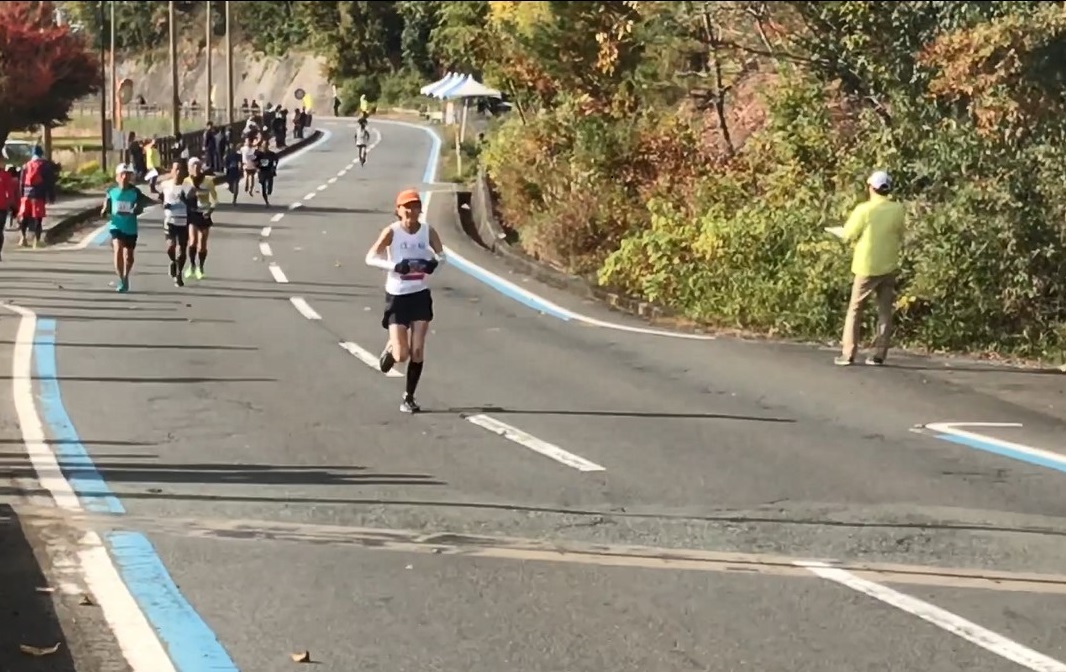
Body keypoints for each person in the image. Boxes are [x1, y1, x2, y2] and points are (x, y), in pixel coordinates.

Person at [364, 189, 445, 413]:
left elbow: (442, 255)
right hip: (398, 295)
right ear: (398, 210)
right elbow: (370, 257)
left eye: (415, 206)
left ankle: (409, 397)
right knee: (402, 355)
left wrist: (433, 264)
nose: (411, 211)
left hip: (419, 294)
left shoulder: (428, 231)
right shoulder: (392, 232)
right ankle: (391, 349)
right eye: (406, 207)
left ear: (420, 209)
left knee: (418, 351)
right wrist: (395, 266)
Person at [833, 170, 906, 367]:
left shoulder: (864, 210)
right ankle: (878, 354)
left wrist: (837, 231)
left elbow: (848, 234)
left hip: (866, 265)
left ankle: (848, 353)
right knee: (884, 310)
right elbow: (900, 233)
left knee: (855, 309)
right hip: (889, 264)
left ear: (871, 188)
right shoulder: (897, 209)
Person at [101, 164, 154, 293]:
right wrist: (104, 210)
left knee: (128, 256)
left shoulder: (135, 192)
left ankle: (126, 276)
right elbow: (106, 204)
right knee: (118, 249)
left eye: (127, 175)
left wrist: (138, 208)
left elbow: (143, 203)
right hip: (116, 225)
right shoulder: (111, 191)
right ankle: (121, 279)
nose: (125, 177)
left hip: (130, 227)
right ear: (117, 177)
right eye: (122, 175)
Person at [183, 157, 218, 280]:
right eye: (193, 167)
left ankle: (200, 267)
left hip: (204, 214)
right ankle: (192, 265)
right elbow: (183, 198)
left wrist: (210, 210)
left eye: (198, 166)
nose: (196, 169)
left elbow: (214, 198)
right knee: (192, 241)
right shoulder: (186, 181)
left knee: (202, 244)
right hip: (193, 214)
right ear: (190, 169)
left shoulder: (208, 181)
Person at [160, 161, 194, 287]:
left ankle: (179, 274)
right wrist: (164, 204)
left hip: (183, 221)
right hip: (170, 220)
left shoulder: (189, 187)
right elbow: (160, 199)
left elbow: (193, 205)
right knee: (170, 247)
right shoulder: (165, 185)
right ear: (172, 171)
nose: (178, 172)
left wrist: (185, 199)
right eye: (176, 169)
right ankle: (173, 262)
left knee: (182, 250)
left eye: (180, 169)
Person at [17, 146, 55, 248]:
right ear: (41, 154)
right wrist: (51, 196)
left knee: (24, 217)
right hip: (39, 195)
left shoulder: (26, 166)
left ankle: (23, 238)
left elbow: (21, 182)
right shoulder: (45, 166)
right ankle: (36, 241)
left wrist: (21, 195)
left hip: (26, 195)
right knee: (38, 218)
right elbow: (49, 182)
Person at [254, 139, 279, 206]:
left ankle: (268, 191)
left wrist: (274, 167)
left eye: (266, 145)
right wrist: (257, 167)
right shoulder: (258, 154)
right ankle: (266, 201)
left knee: (269, 189)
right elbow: (254, 161)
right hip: (262, 171)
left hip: (269, 170)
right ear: (262, 145)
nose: (265, 146)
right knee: (263, 186)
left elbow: (276, 160)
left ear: (268, 145)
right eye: (264, 145)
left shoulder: (271, 154)